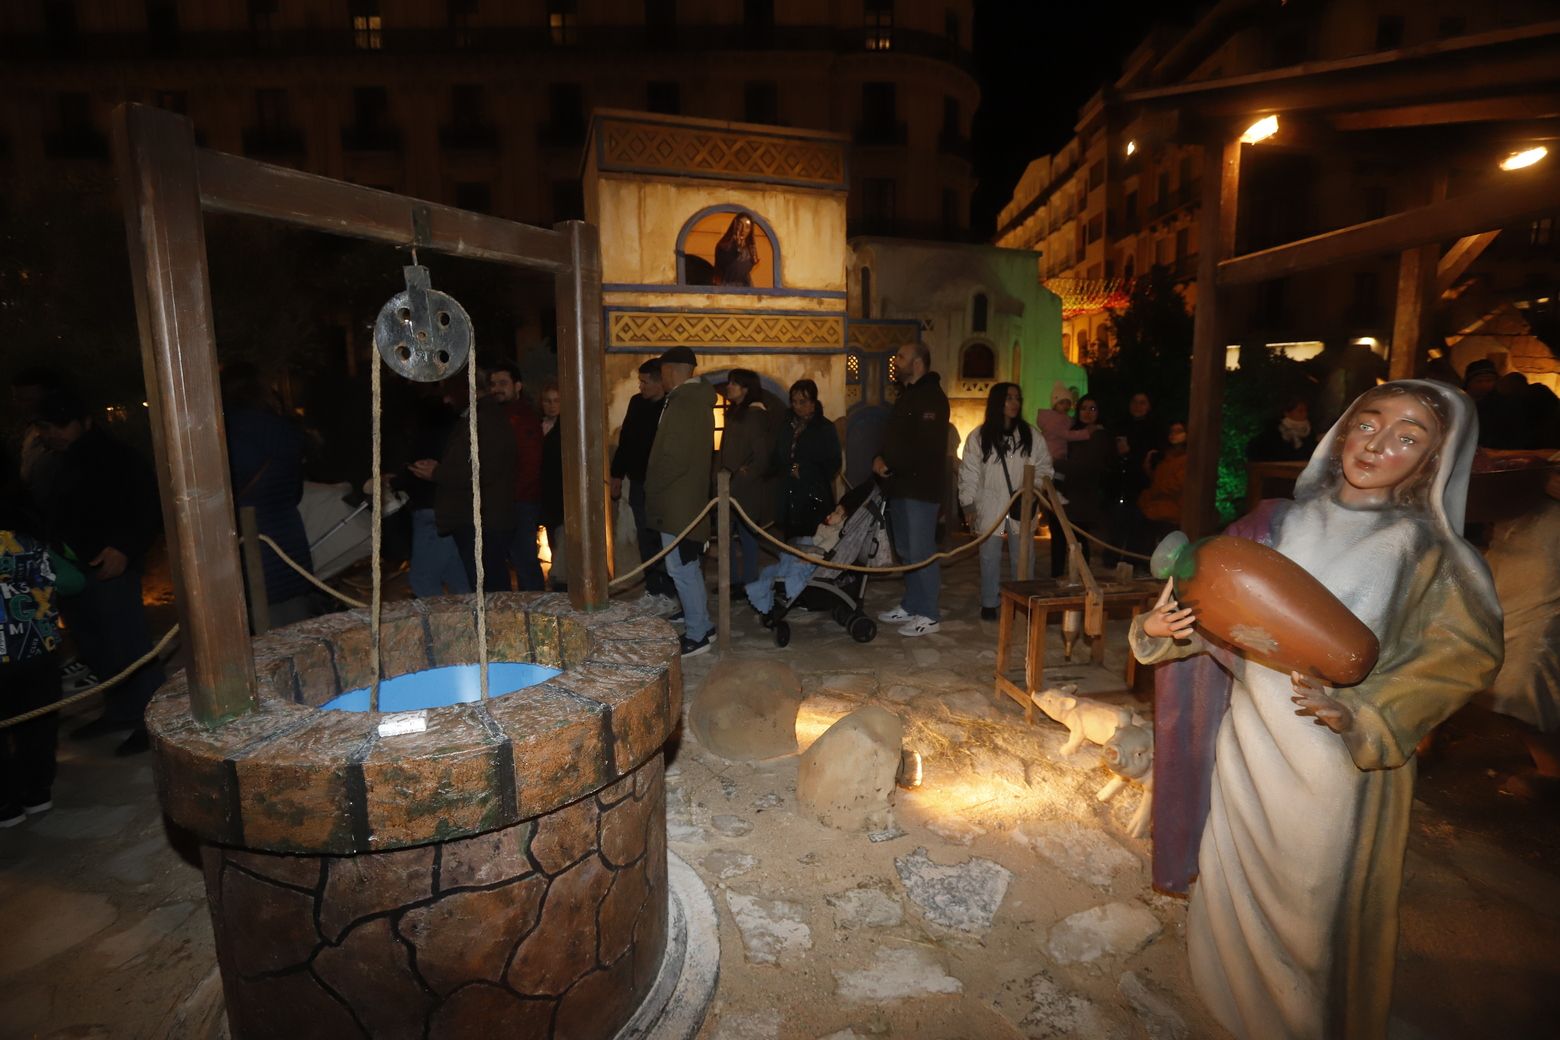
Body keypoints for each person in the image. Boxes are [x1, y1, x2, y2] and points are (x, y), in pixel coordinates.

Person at [1130, 380, 1502, 1040]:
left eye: (1408, 437)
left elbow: (1463, 654)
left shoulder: (1428, 552)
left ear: (1432, 460)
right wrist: (1160, 630)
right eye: (1369, 423)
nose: (1380, 444)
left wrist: (1370, 713)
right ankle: (1227, 1001)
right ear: (1341, 432)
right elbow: (1215, 607)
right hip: (1248, 740)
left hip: (1335, 763)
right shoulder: (1274, 522)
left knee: (1313, 909)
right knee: (1231, 882)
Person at [32, 389, 165, 756]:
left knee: (128, 643)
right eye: (47, 426)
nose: (54, 432)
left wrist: (125, 547)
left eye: (62, 424)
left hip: (111, 562)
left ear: (84, 422)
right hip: (72, 567)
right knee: (95, 643)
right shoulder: (52, 461)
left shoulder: (116, 457)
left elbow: (145, 506)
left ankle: (151, 722)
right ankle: (121, 710)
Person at [1, 456, 82, 825]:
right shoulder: (29, 541)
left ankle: (5, 805)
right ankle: (37, 793)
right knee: (38, 725)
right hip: (37, 650)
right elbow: (73, 582)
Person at [222, 363, 316, 627]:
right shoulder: (284, 428)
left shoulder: (227, 431)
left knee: (264, 633)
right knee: (297, 624)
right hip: (288, 534)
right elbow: (295, 489)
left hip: (250, 538)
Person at [644, 346, 718, 656]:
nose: (660, 378)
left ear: (671, 370)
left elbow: (673, 458)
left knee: (680, 568)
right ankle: (701, 621)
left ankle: (698, 633)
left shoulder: (684, 402)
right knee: (687, 564)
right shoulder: (694, 400)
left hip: (676, 499)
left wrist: (652, 486)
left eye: (661, 372)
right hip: (686, 497)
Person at [873, 342, 949, 637]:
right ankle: (912, 604)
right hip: (899, 485)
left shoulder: (932, 398)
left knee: (921, 551)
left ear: (918, 363)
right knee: (905, 550)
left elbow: (924, 447)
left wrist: (889, 463)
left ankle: (929, 613)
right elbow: (894, 438)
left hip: (920, 488)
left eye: (901, 357)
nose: (896, 361)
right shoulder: (907, 396)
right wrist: (878, 458)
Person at [958, 383, 1051, 621]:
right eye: (1009, 398)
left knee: (1023, 556)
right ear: (998, 401)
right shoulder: (979, 437)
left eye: (1017, 398)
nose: (1014, 403)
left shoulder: (1031, 436)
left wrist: (1033, 489)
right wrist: (968, 504)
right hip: (991, 504)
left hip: (1022, 503)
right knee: (989, 556)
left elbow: (1043, 467)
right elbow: (969, 473)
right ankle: (990, 602)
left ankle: (1023, 600)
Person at [749, 380, 840, 619]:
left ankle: (811, 594)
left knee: (811, 549)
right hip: (789, 495)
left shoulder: (825, 428)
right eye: (794, 401)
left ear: (813, 401)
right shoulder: (786, 426)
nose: (798, 406)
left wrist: (806, 471)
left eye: (803, 401)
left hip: (813, 498)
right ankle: (791, 590)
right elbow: (779, 456)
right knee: (791, 545)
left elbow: (833, 465)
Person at [434, 376, 517, 594]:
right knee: (484, 586)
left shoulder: (486, 420)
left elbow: (483, 470)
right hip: (477, 517)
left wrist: (437, 473)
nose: (447, 400)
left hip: (484, 519)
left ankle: (497, 628)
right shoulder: (476, 418)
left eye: (451, 393)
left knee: (491, 589)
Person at [610, 360, 676, 612]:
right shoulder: (637, 403)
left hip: (661, 486)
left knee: (663, 539)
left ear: (660, 382)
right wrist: (617, 475)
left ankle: (669, 594)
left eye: (645, 381)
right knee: (644, 537)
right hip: (637, 483)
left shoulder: (671, 406)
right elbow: (625, 439)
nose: (640, 386)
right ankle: (653, 589)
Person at [400, 382, 472, 598]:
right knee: (457, 575)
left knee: (423, 579)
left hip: (431, 511)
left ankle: (440, 626)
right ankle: (470, 621)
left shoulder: (422, 433)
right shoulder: (456, 429)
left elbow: (415, 468)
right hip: (449, 510)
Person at [488, 362, 545, 591]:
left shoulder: (524, 419)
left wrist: (514, 497)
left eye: (503, 383)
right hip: (502, 502)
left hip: (520, 502)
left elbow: (530, 464)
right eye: (493, 384)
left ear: (517, 386)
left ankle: (536, 614)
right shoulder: (496, 416)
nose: (497, 389)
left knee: (525, 562)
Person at [717, 369, 776, 588]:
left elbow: (761, 457)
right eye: (729, 382)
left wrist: (742, 476)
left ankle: (749, 582)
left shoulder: (754, 415)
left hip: (744, 488)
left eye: (734, 384)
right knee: (727, 537)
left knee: (747, 537)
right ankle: (730, 581)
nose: (728, 387)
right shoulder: (736, 412)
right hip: (728, 485)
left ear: (746, 389)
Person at [1048, 394, 1112, 578]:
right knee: (1058, 541)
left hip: (1082, 497)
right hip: (1061, 492)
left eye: (1093, 409)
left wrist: (1055, 463)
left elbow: (1086, 466)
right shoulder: (1070, 432)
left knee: (1079, 541)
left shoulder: (1099, 436)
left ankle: (1082, 580)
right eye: (1084, 408)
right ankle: (1056, 579)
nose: (1088, 413)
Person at [537, 381, 567, 592]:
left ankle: (560, 580)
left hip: (562, 493)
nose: (552, 405)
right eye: (548, 401)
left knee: (562, 538)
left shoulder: (567, 429)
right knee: (551, 539)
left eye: (556, 400)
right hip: (543, 492)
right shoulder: (536, 426)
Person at [1246, 396, 1316, 462]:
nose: (1305, 414)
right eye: (1300, 411)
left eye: (1306, 411)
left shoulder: (1310, 432)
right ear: (1287, 413)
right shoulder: (1273, 432)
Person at [713, 211, 759, 287]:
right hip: (726, 286)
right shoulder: (723, 246)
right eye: (740, 225)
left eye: (747, 227)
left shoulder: (750, 250)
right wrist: (736, 246)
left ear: (750, 230)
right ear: (735, 225)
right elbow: (723, 265)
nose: (743, 230)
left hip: (745, 287)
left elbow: (745, 272)